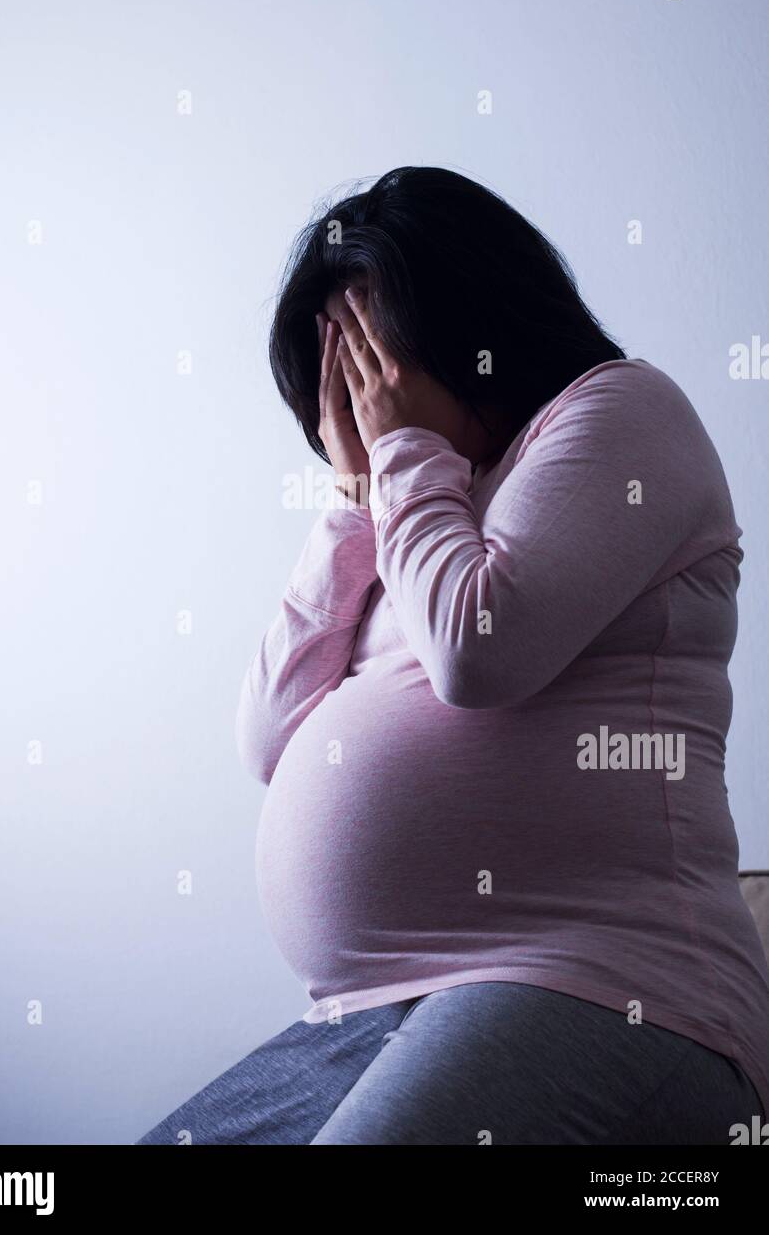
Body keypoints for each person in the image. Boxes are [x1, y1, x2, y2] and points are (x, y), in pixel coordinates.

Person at [138, 166, 769, 1145]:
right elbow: (267, 735)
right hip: (379, 1011)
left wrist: (402, 460)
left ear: (467, 323)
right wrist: (354, 506)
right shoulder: (418, 509)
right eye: (334, 384)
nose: (354, 402)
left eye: (369, 364)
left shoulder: (621, 414)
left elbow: (481, 652)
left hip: (606, 983)